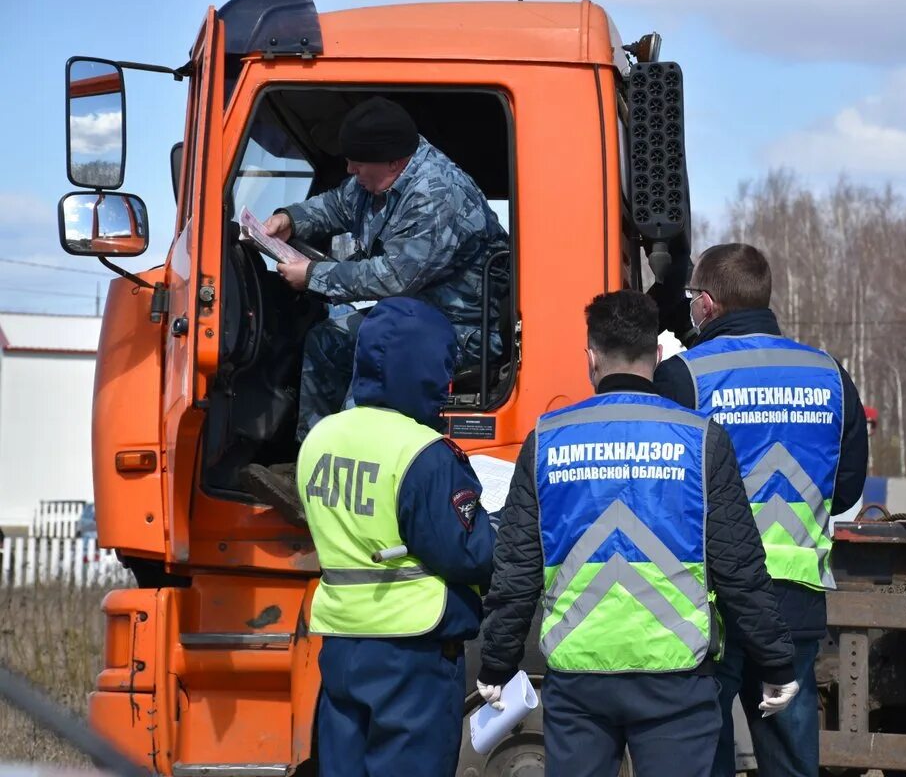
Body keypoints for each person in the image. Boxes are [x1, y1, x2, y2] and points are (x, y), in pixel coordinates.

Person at [477, 290, 798, 777]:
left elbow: (516, 570)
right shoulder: (702, 439)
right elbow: (739, 568)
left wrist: (497, 662)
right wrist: (775, 662)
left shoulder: (545, 440)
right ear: (660, 354)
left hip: (578, 677)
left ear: (590, 358)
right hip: (675, 676)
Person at [654, 243, 869, 777]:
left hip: (711, 601)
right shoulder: (830, 374)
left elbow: (665, 496)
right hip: (795, 600)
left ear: (706, 304)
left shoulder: (684, 377)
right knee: (792, 758)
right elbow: (844, 492)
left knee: (704, 750)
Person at [242, 95, 508, 517]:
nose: (350, 170)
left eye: (357, 162)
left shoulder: (435, 195)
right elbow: (336, 205)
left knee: (374, 355)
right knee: (327, 340)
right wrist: (290, 219)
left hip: (464, 328)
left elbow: (393, 277)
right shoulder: (380, 176)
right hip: (419, 316)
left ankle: (345, 492)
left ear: (392, 161)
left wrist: (311, 275)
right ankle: (309, 466)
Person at [297, 297, 495, 777]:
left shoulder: (320, 437)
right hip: (412, 657)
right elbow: (468, 554)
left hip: (342, 649)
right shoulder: (422, 451)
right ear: (427, 369)